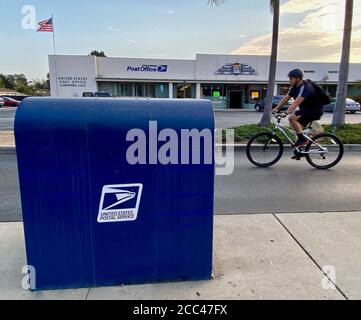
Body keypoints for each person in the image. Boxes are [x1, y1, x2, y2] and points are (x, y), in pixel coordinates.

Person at [272, 68, 324, 148]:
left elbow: (297, 102)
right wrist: (276, 108)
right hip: (306, 110)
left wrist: (286, 112)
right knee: (297, 131)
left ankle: (302, 140)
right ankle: (300, 151)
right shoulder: (294, 88)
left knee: (292, 118)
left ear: (298, 78)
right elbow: (285, 99)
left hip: (314, 110)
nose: (289, 80)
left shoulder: (306, 87)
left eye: (291, 78)